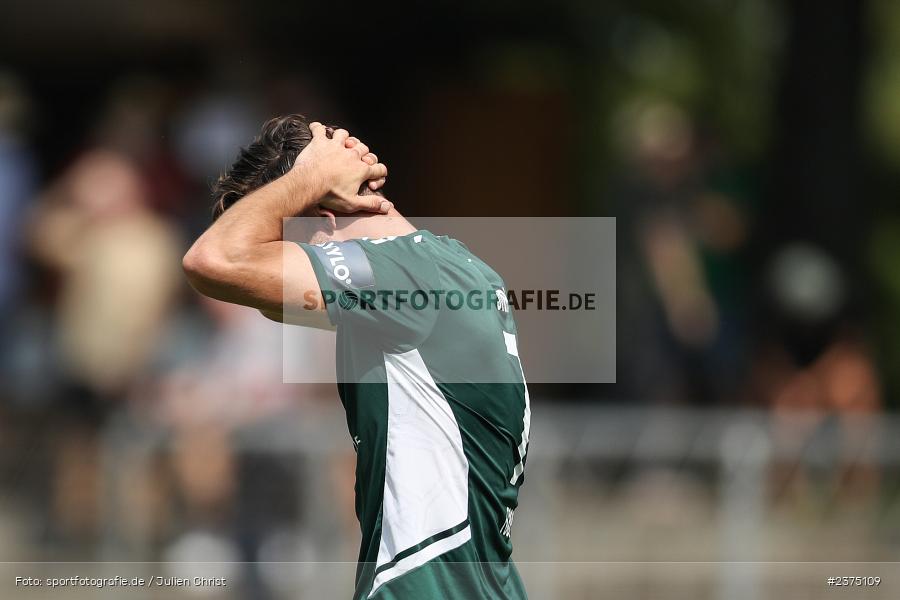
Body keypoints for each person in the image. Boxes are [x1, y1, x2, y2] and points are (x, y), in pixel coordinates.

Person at [183, 114, 530, 599]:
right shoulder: (455, 267)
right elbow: (268, 302)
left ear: (321, 219)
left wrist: (310, 177)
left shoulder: (397, 277)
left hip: (422, 586)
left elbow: (214, 263)